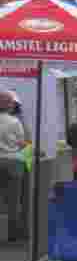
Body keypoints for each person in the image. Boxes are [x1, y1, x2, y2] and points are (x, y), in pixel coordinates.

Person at [0, 91, 26, 242]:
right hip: (14, 163)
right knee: (13, 200)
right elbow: (22, 143)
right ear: (9, 105)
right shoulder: (15, 122)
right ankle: (12, 235)